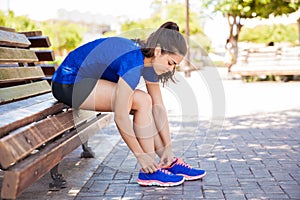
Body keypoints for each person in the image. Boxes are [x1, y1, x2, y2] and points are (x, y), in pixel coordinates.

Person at [51, 21, 206, 187]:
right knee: (141, 100)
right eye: (170, 63)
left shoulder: (149, 62)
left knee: (147, 102)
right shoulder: (133, 62)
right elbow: (121, 116)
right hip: (68, 83)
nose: (171, 69)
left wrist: (168, 147)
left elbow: (158, 107)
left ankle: (167, 161)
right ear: (158, 51)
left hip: (86, 81)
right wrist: (141, 156)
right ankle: (150, 171)